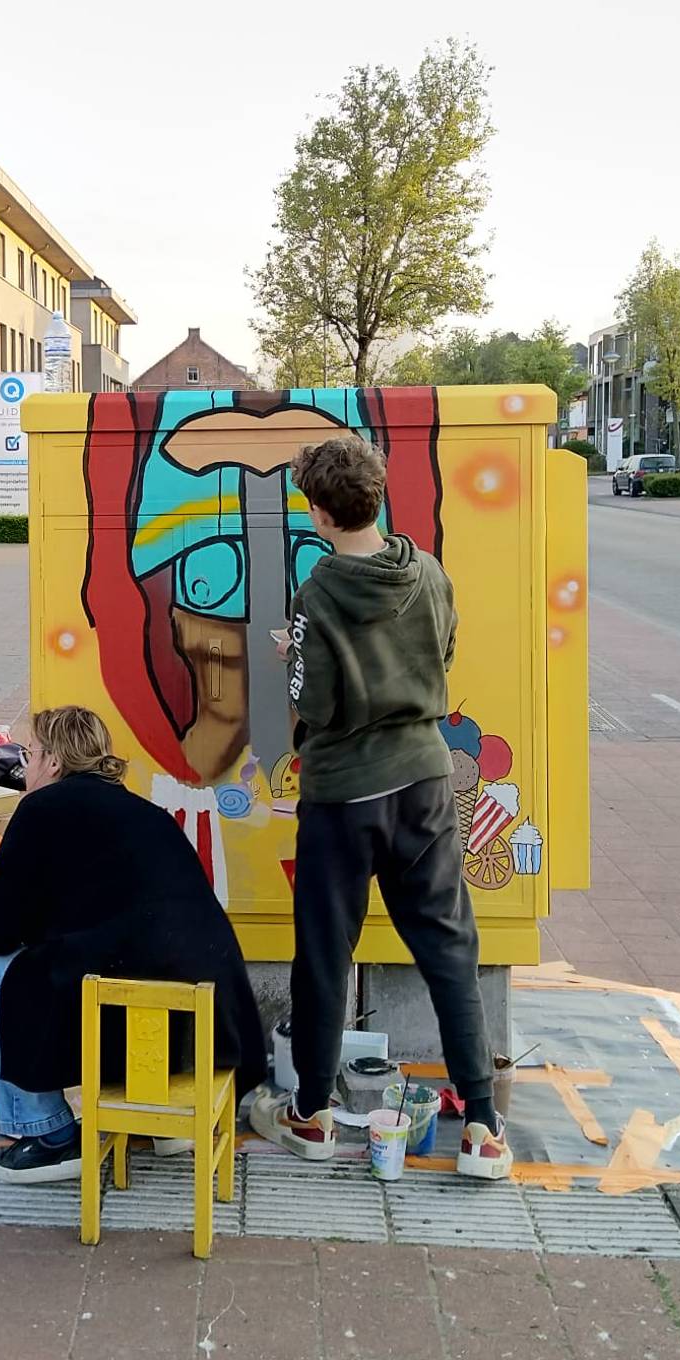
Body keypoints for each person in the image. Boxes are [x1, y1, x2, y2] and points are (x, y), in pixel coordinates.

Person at [249, 434, 512, 1181]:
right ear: (375, 496)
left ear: (320, 515)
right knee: (448, 950)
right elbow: (445, 653)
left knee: (327, 952)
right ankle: (484, 1132)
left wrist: (292, 658)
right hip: (425, 780)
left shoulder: (319, 592)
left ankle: (311, 1115)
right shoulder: (427, 571)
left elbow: (318, 705)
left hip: (343, 794)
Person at [0, 705, 267, 1185]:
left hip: (135, 1008)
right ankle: (162, 1110)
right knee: (96, 963)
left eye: (30, 754)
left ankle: (48, 1133)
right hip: (212, 1020)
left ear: (54, 762)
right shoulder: (144, 812)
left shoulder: (40, 808)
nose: (24, 765)